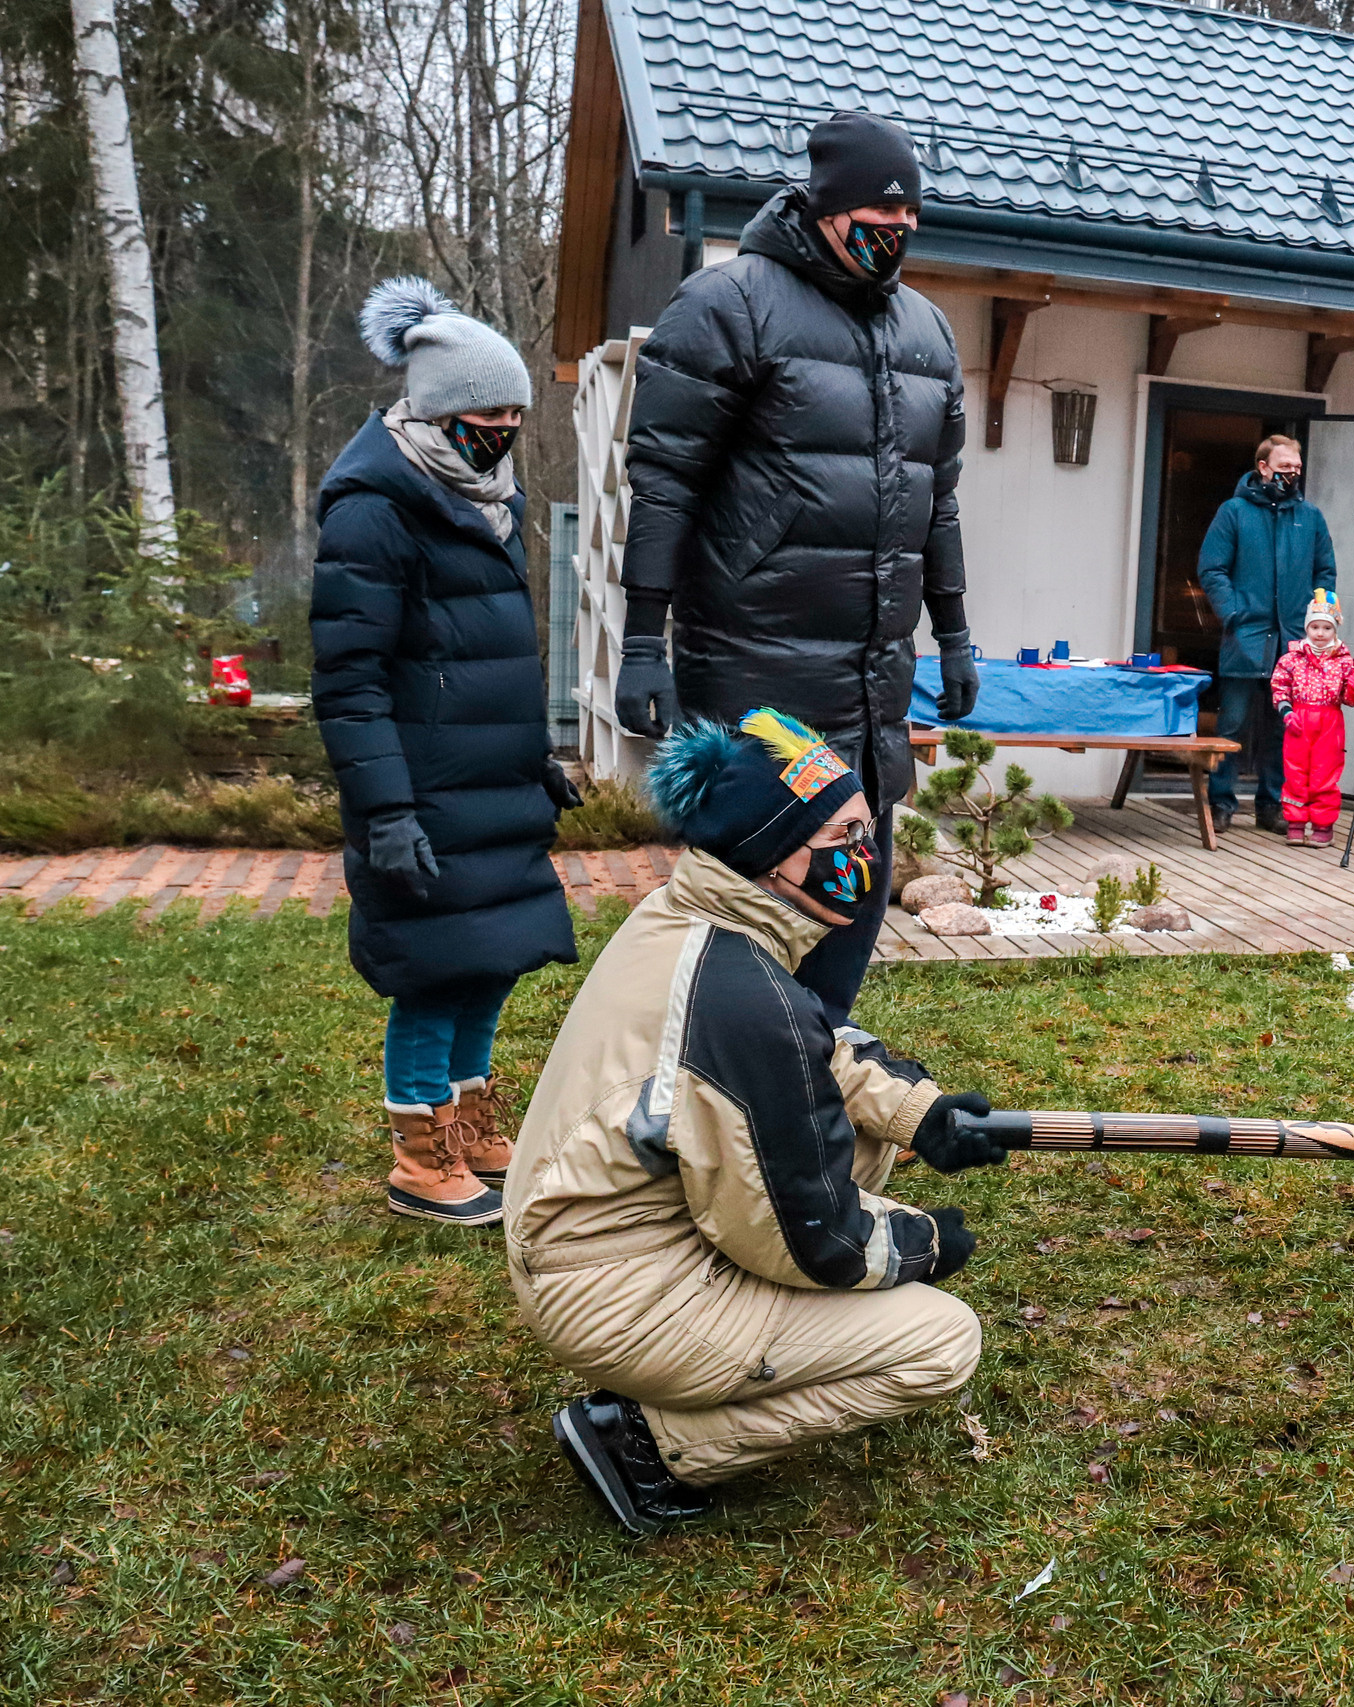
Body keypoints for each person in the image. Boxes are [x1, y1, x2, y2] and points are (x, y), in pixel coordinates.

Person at [506, 706, 1008, 1535]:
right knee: (940, 1340)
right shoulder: (739, 998)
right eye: (846, 835)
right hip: (615, 1287)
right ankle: (646, 1441)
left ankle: (670, 1383)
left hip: (585, 1233)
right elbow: (805, 1237)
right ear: (777, 852)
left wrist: (923, 1115)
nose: (869, 854)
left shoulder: (699, 920)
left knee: (864, 1132)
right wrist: (920, 1243)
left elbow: (820, 1045)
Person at [614, 110, 973, 1028]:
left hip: (870, 692)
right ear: (825, 208)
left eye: (909, 226)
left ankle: (809, 1100)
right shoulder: (727, 305)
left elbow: (939, 501)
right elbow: (662, 485)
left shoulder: (927, 333)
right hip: (755, 670)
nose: (896, 240)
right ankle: (715, 1102)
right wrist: (641, 640)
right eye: (878, 223)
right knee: (748, 931)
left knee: (849, 909)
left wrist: (956, 630)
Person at [315, 277, 580, 1227]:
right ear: (435, 412)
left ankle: (468, 1119)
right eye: (487, 412)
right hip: (421, 792)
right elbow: (351, 683)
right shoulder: (374, 510)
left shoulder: (484, 498)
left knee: (491, 958)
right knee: (433, 970)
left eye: (514, 412)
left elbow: (489, 656)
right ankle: (419, 1155)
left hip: (488, 783)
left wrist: (534, 759)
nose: (504, 428)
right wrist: (384, 810)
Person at [1197, 434, 1337, 835]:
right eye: (1284, 467)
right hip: (1247, 635)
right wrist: (1234, 612)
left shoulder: (1310, 517)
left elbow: (1325, 573)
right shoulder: (1234, 512)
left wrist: (1319, 621)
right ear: (1263, 467)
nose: (1291, 474)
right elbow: (1212, 568)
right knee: (1232, 724)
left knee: (1284, 727)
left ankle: (1272, 805)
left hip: (1294, 640)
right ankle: (1220, 803)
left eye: (1296, 468)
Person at [1269, 590, 1354, 848]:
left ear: (1335, 630)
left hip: (1329, 721)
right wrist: (1286, 710)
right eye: (1315, 626)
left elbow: (1350, 699)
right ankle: (1295, 822)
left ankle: (1323, 825)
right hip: (1299, 719)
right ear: (1307, 628)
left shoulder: (1344, 662)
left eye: (1327, 627)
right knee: (1295, 772)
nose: (1320, 633)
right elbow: (1280, 686)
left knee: (1325, 773)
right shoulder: (1291, 659)